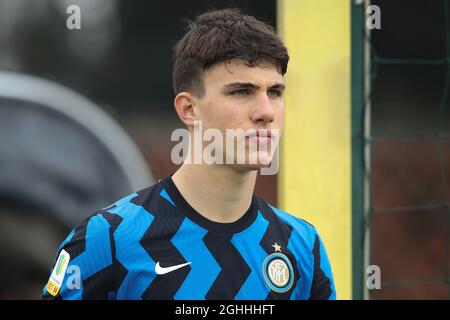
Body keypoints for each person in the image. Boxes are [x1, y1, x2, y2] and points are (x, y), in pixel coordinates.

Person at [42, 8, 336, 300]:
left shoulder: (302, 246)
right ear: (189, 109)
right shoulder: (108, 239)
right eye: (241, 91)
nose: (265, 112)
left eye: (274, 92)